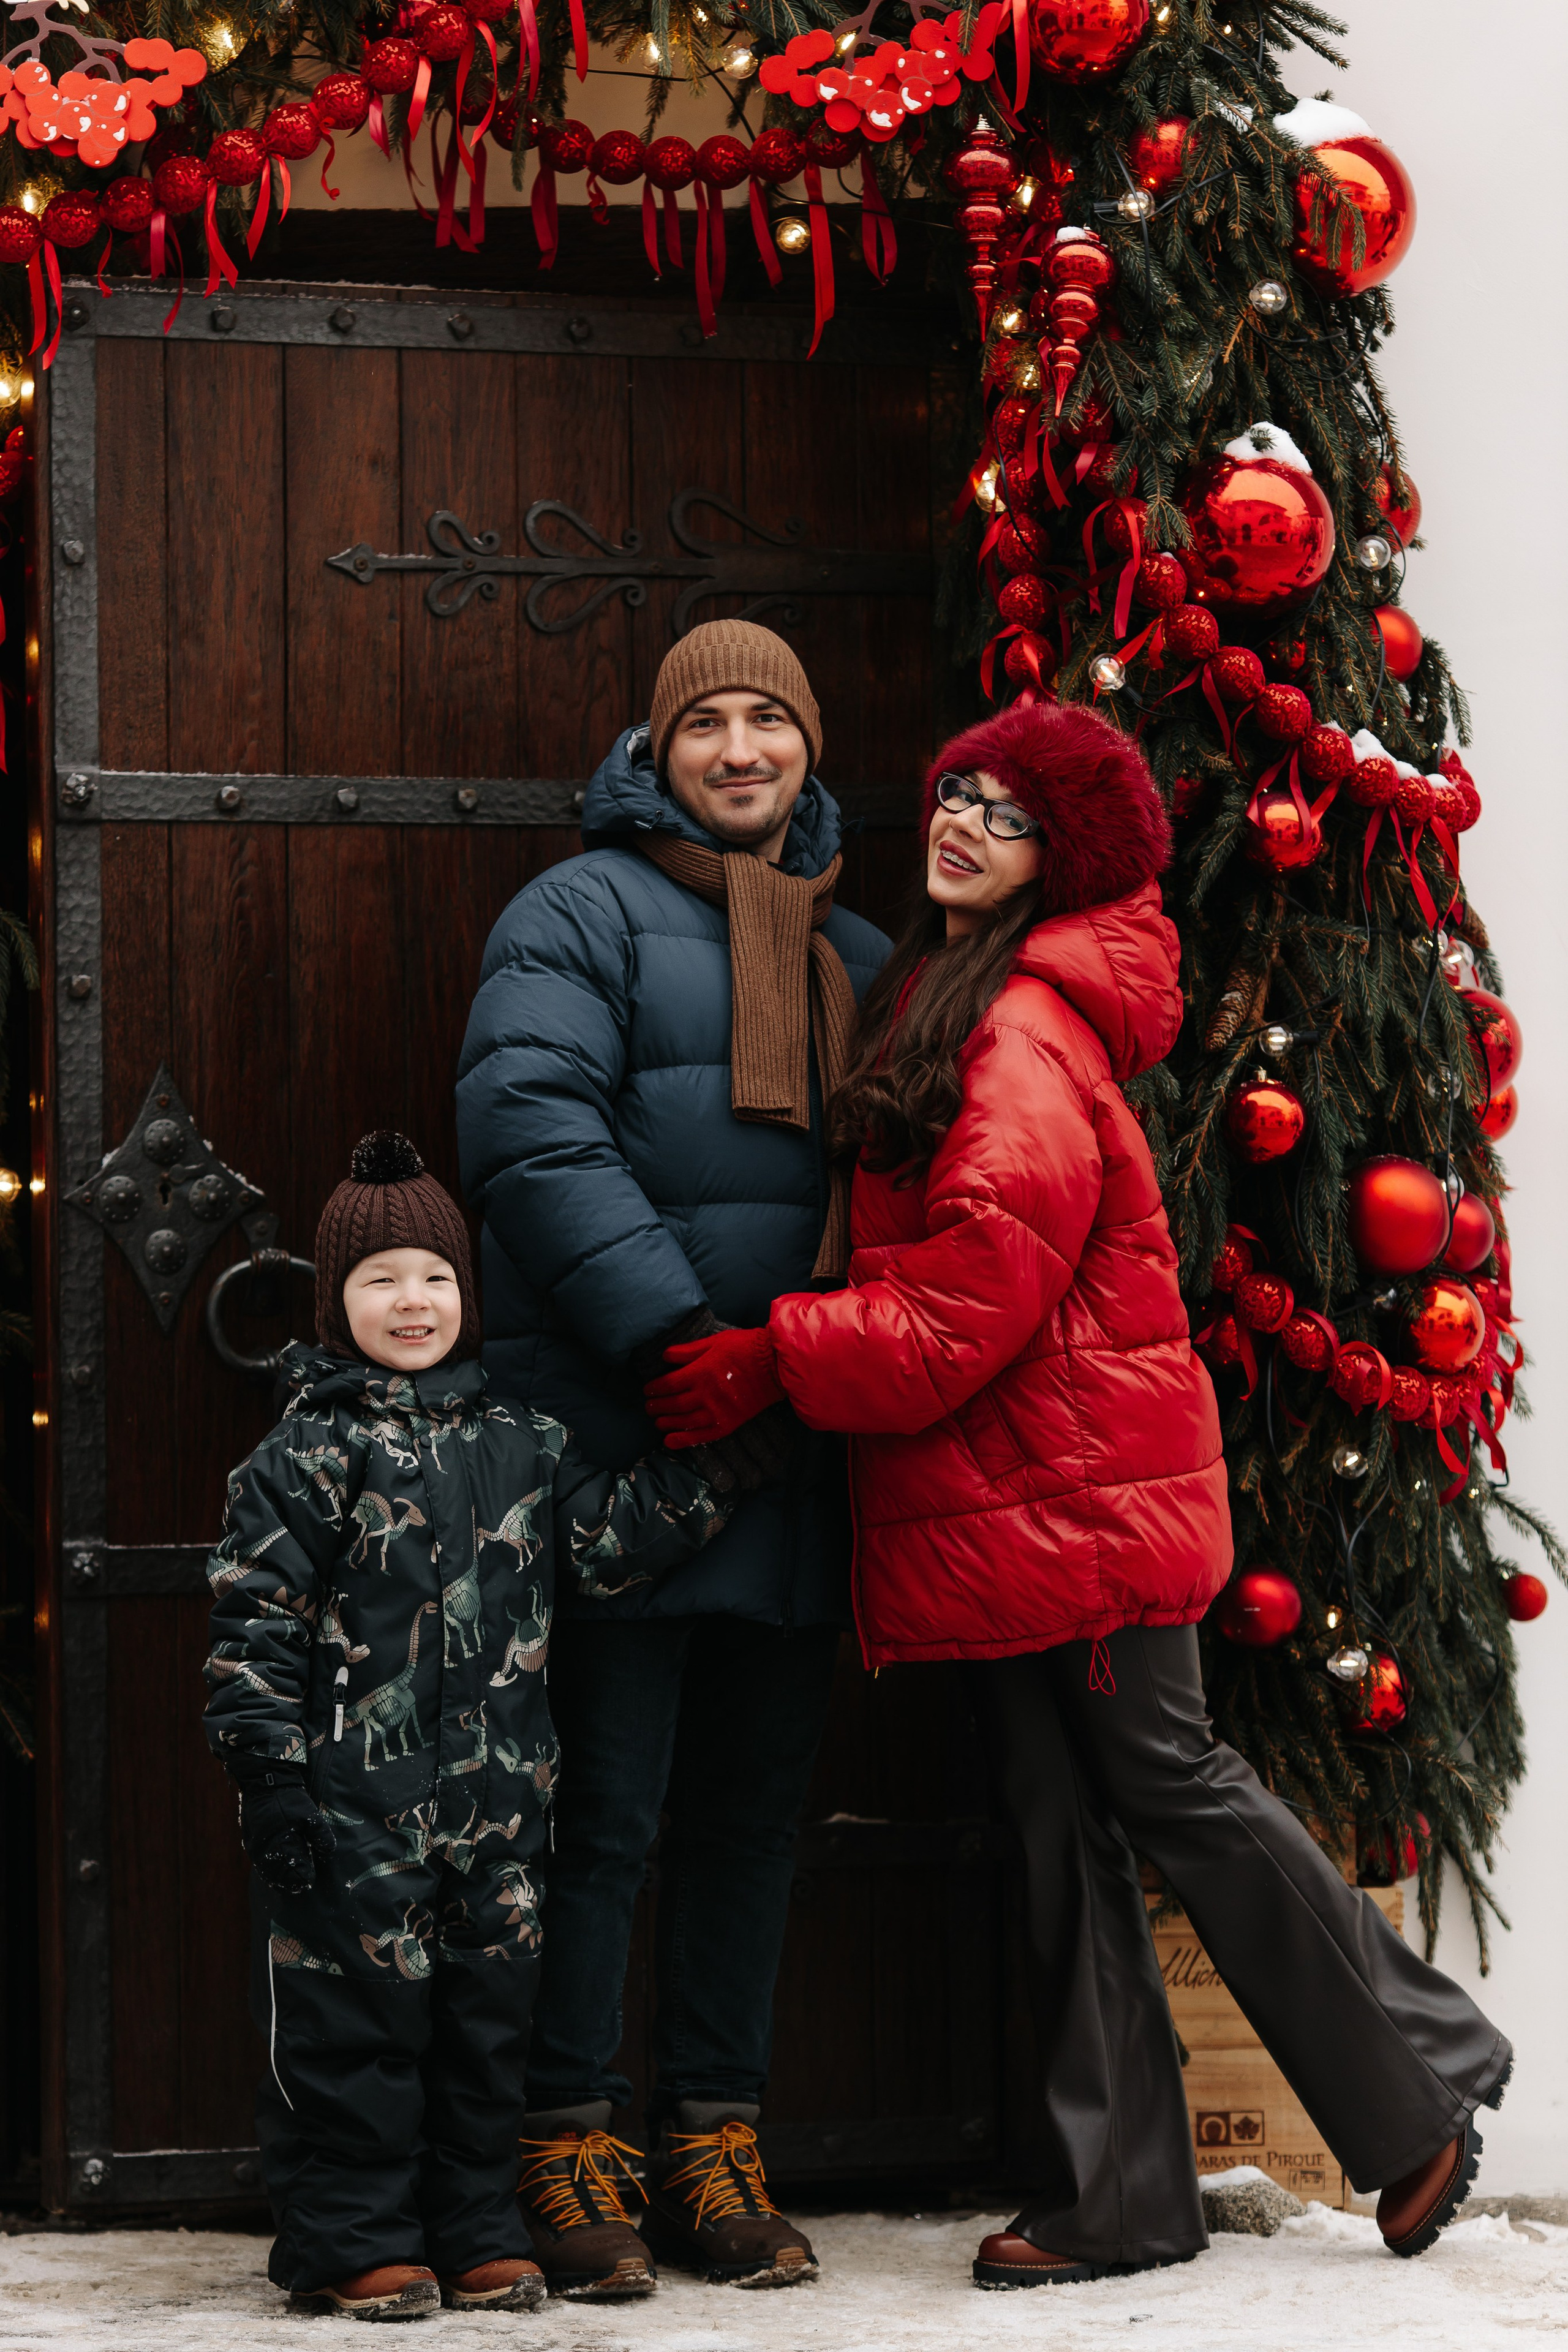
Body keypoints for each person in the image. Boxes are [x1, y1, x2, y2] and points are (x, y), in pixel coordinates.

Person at [647, 700, 1513, 2288]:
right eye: (956, 793)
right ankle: (1113, 2194)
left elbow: (973, 1295)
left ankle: (1421, 2075)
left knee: (1169, 1781)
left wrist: (778, 1356)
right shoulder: (951, 992)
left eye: (1009, 814)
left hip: (1081, 1491)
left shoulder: (1022, 1028)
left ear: (1063, 861)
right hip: (1017, 1503)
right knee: (1057, 1821)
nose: (963, 822)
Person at [456, 621, 890, 2297]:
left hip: (788, 1450)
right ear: (656, 750)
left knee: (747, 1821)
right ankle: (564, 2143)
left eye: (767, 719)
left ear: (807, 748)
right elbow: (528, 1129)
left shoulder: (855, 947)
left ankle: (715, 2139)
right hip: (619, 1444)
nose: (737, 749)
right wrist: (672, 1338)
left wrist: (798, 1368)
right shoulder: (574, 913)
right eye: (703, 721)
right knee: (600, 1817)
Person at [203, 1132, 737, 2323]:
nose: (413, 1301)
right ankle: (357, 2240)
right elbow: (254, 1630)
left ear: (466, 1294)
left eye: (435, 1277)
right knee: (356, 2032)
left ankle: (475, 2228)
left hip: (498, 1819)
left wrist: (722, 1467)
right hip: (353, 1819)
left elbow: (605, 1544)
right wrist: (272, 1783)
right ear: (338, 1303)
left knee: (485, 2032)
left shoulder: (521, 1439)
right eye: (381, 1279)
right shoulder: (306, 1454)